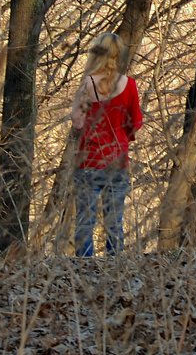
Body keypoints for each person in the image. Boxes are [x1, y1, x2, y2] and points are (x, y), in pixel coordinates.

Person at [70, 32, 143, 256]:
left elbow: (77, 122)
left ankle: (83, 272)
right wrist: (123, 136)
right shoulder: (129, 85)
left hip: (89, 160)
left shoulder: (87, 84)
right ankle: (115, 272)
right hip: (117, 161)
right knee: (114, 223)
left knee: (85, 222)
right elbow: (137, 122)